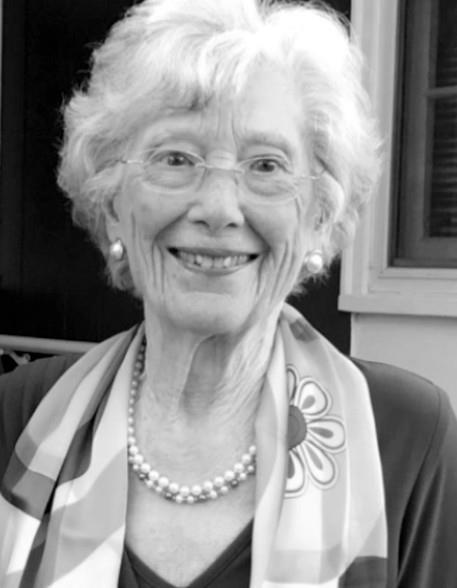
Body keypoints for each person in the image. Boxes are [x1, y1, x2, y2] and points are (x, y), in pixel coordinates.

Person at [1, 0, 456, 586]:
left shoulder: (407, 435)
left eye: (266, 166)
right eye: (176, 159)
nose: (218, 209)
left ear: (319, 216)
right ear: (112, 203)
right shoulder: (19, 417)